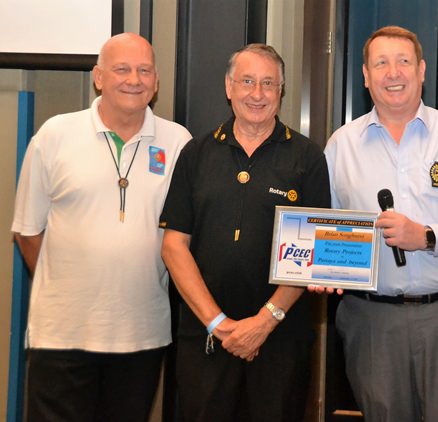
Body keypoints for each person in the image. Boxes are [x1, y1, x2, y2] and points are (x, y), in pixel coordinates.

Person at [321, 26, 438, 422]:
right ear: (366, 76)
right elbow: (328, 224)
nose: (393, 73)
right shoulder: (341, 145)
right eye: (381, 63)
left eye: (404, 62)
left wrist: (427, 236)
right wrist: (324, 266)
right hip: (371, 321)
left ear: (421, 70)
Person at [11, 33, 192, 421]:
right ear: (98, 77)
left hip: (142, 334)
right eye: (121, 69)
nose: (134, 79)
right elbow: (27, 231)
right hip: (62, 334)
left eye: (144, 70)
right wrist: (70, 286)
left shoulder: (178, 143)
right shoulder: (55, 135)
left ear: (156, 81)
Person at [159, 43, 330, 421]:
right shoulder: (196, 154)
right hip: (204, 336)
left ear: (281, 91)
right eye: (247, 81)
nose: (257, 94)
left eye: (268, 83)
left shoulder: (307, 157)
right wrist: (220, 325)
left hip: (281, 339)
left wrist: (264, 322)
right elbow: (174, 247)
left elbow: (314, 252)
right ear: (228, 87)